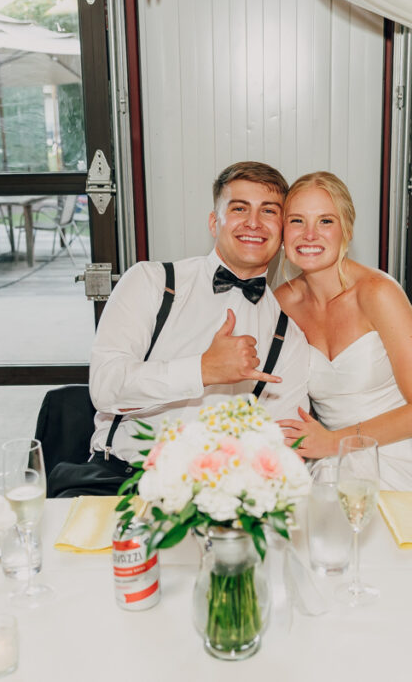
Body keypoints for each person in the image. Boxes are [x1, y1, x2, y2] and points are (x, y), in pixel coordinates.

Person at [49, 162, 310, 497]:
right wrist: (202, 369)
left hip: (222, 495)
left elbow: (279, 442)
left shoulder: (287, 336)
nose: (253, 223)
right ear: (214, 223)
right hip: (119, 480)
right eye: (239, 208)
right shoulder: (151, 282)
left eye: (268, 211)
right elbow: (105, 387)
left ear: (283, 231)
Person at [274, 171, 412, 492]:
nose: (310, 234)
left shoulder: (378, 293)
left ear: (346, 230)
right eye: (297, 221)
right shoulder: (281, 303)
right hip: (330, 462)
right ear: (283, 232)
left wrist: (335, 442)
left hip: (405, 455)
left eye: (325, 221)